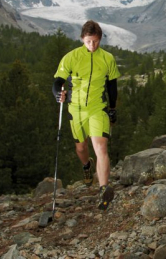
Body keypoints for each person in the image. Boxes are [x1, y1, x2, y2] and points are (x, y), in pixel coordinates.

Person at [52, 20, 121, 210]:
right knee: (81, 148)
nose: (93, 45)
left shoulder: (107, 59)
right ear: (83, 38)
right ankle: (86, 166)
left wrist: (113, 108)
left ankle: (103, 189)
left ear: (100, 39)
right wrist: (58, 94)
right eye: (89, 41)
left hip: (98, 108)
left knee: (100, 147)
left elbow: (112, 87)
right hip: (76, 109)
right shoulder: (71, 58)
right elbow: (57, 82)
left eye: (96, 41)